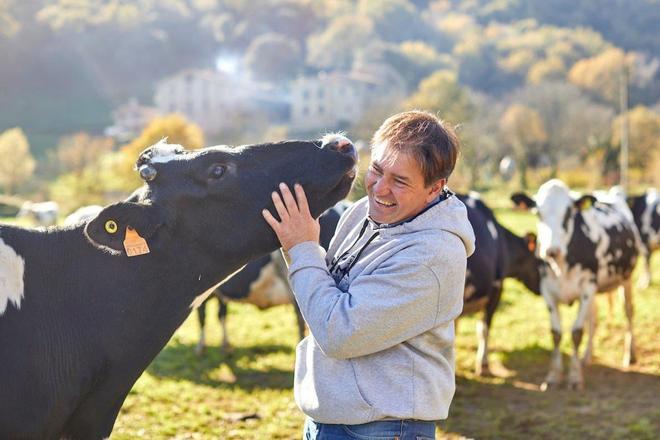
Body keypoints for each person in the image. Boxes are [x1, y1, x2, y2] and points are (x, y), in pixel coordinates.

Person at [262, 110, 475, 440]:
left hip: (385, 429)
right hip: (334, 418)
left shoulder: (431, 256)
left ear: (435, 188)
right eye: (377, 170)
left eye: (400, 181)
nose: (380, 188)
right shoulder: (365, 212)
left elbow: (340, 332)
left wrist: (302, 247)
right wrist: (296, 242)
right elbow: (330, 288)